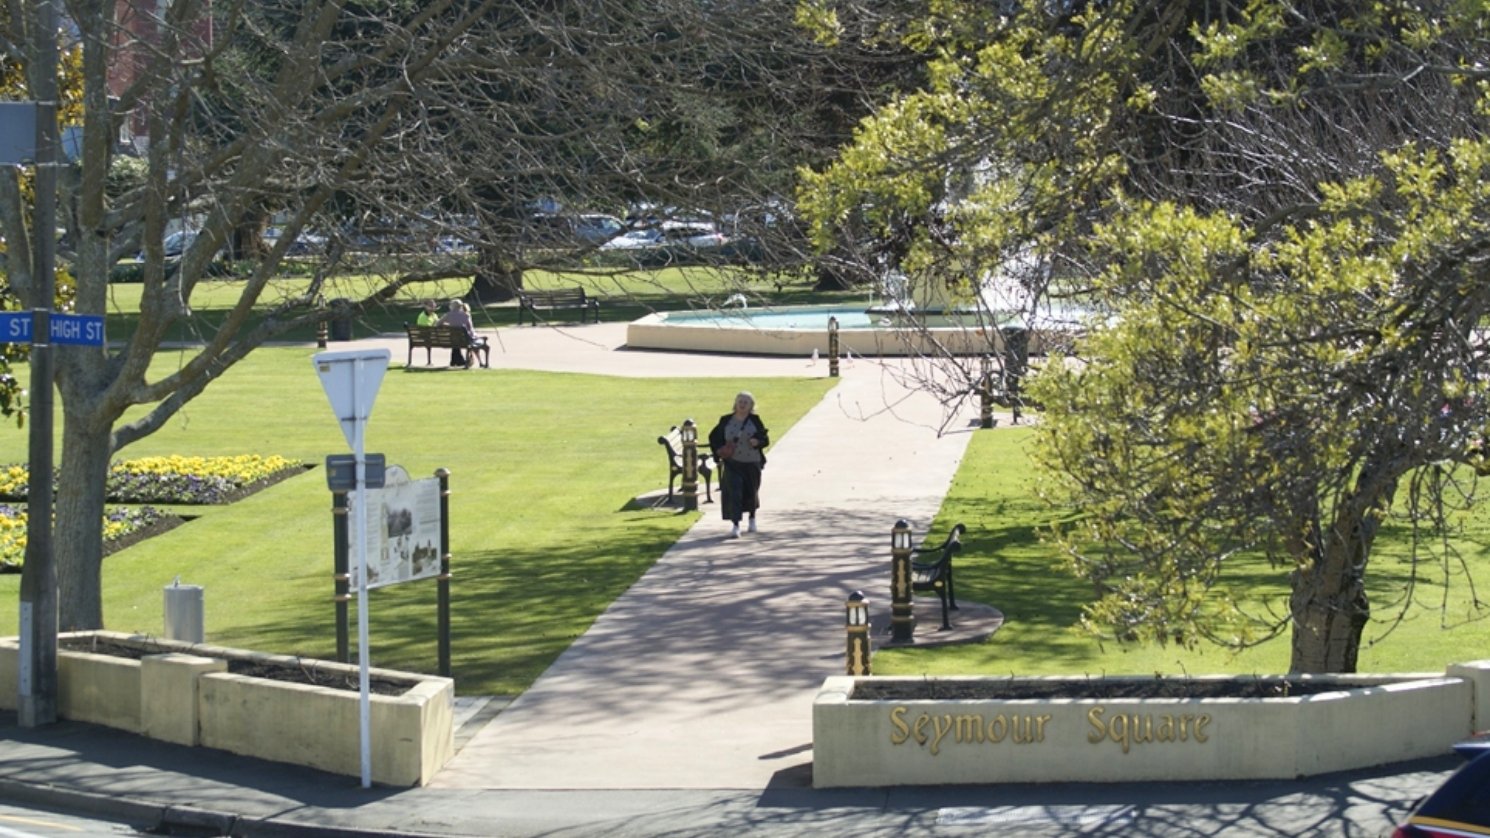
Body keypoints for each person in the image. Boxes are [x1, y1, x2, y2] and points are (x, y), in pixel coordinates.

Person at [708, 391, 770, 538]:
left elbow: (765, 439)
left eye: (746, 403)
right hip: (732, 463)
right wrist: (719, 451)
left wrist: (757, 442)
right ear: (735, 403)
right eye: (740, 401)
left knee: (751, 491)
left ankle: (752, 517)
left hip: (752, 462)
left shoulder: (755, 420)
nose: (742, 405)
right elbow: (714, 437)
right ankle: (735, 524)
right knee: (734, 492)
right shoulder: (725, 420)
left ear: (751, 406)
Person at [437, 299, 477, 368]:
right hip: (464, 339)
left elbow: (438, 324)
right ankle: (458, 360)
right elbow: (470, 328)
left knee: (455, 340)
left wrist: (448, 326)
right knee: (460, 339)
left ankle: (455, 360)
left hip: (452, 338)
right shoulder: (466, 315)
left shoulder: (448, 315)